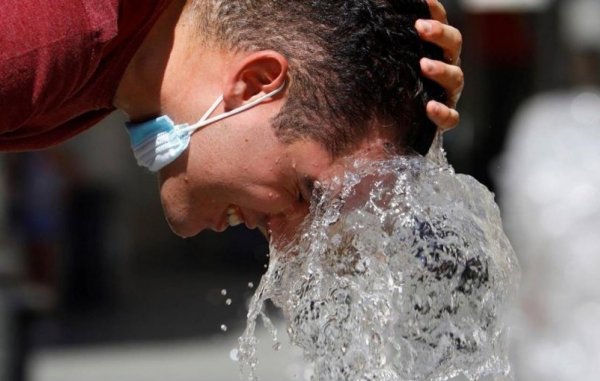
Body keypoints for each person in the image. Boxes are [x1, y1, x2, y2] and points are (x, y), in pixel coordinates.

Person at [2, 0, 464, 242]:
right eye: (303, 194)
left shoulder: (106, 51)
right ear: (255, 83)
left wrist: (396, 58)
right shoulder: (38, 45)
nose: (284, 241)